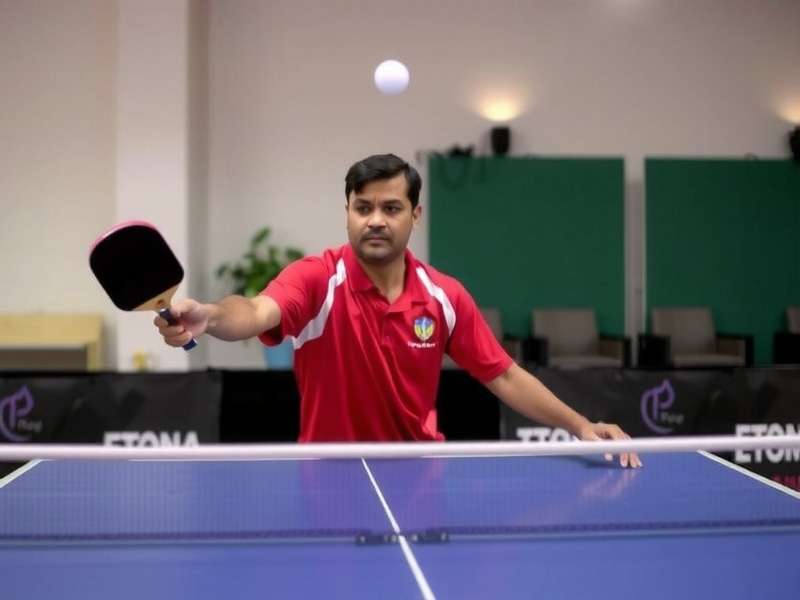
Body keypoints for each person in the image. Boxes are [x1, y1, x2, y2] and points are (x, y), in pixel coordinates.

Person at [155, 153, 641, 468]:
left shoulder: (444, 296)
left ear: (415, 215)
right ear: (347, 212)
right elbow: (256, 311)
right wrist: (212, 316)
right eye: (362, 207)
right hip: (329, 477)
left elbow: (505, 375)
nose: (375, 221)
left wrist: (580, 424)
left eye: (390, 208)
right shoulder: (318, 279)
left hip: (420, 473)